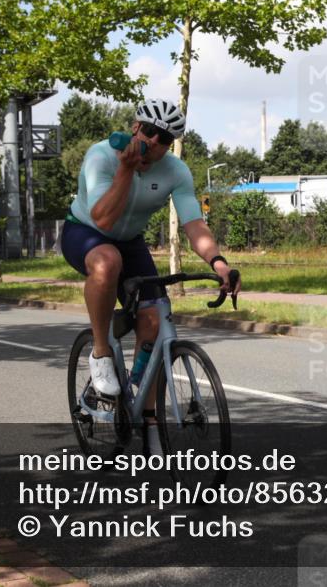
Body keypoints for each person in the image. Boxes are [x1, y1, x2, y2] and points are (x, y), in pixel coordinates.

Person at [61, 98, 241, 434]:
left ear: (170, 144)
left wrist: (219, 263)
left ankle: (147, 419)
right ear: (135, 128)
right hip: (85, 232)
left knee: (156, 317)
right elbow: (103, 219)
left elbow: (194, 224)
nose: (154, 141)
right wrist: (126, 170)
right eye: (149, 131)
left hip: (130, 242)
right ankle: (101, 352)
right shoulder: (101, 156)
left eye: (165, 138)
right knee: (107, 261)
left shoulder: (176, 171)